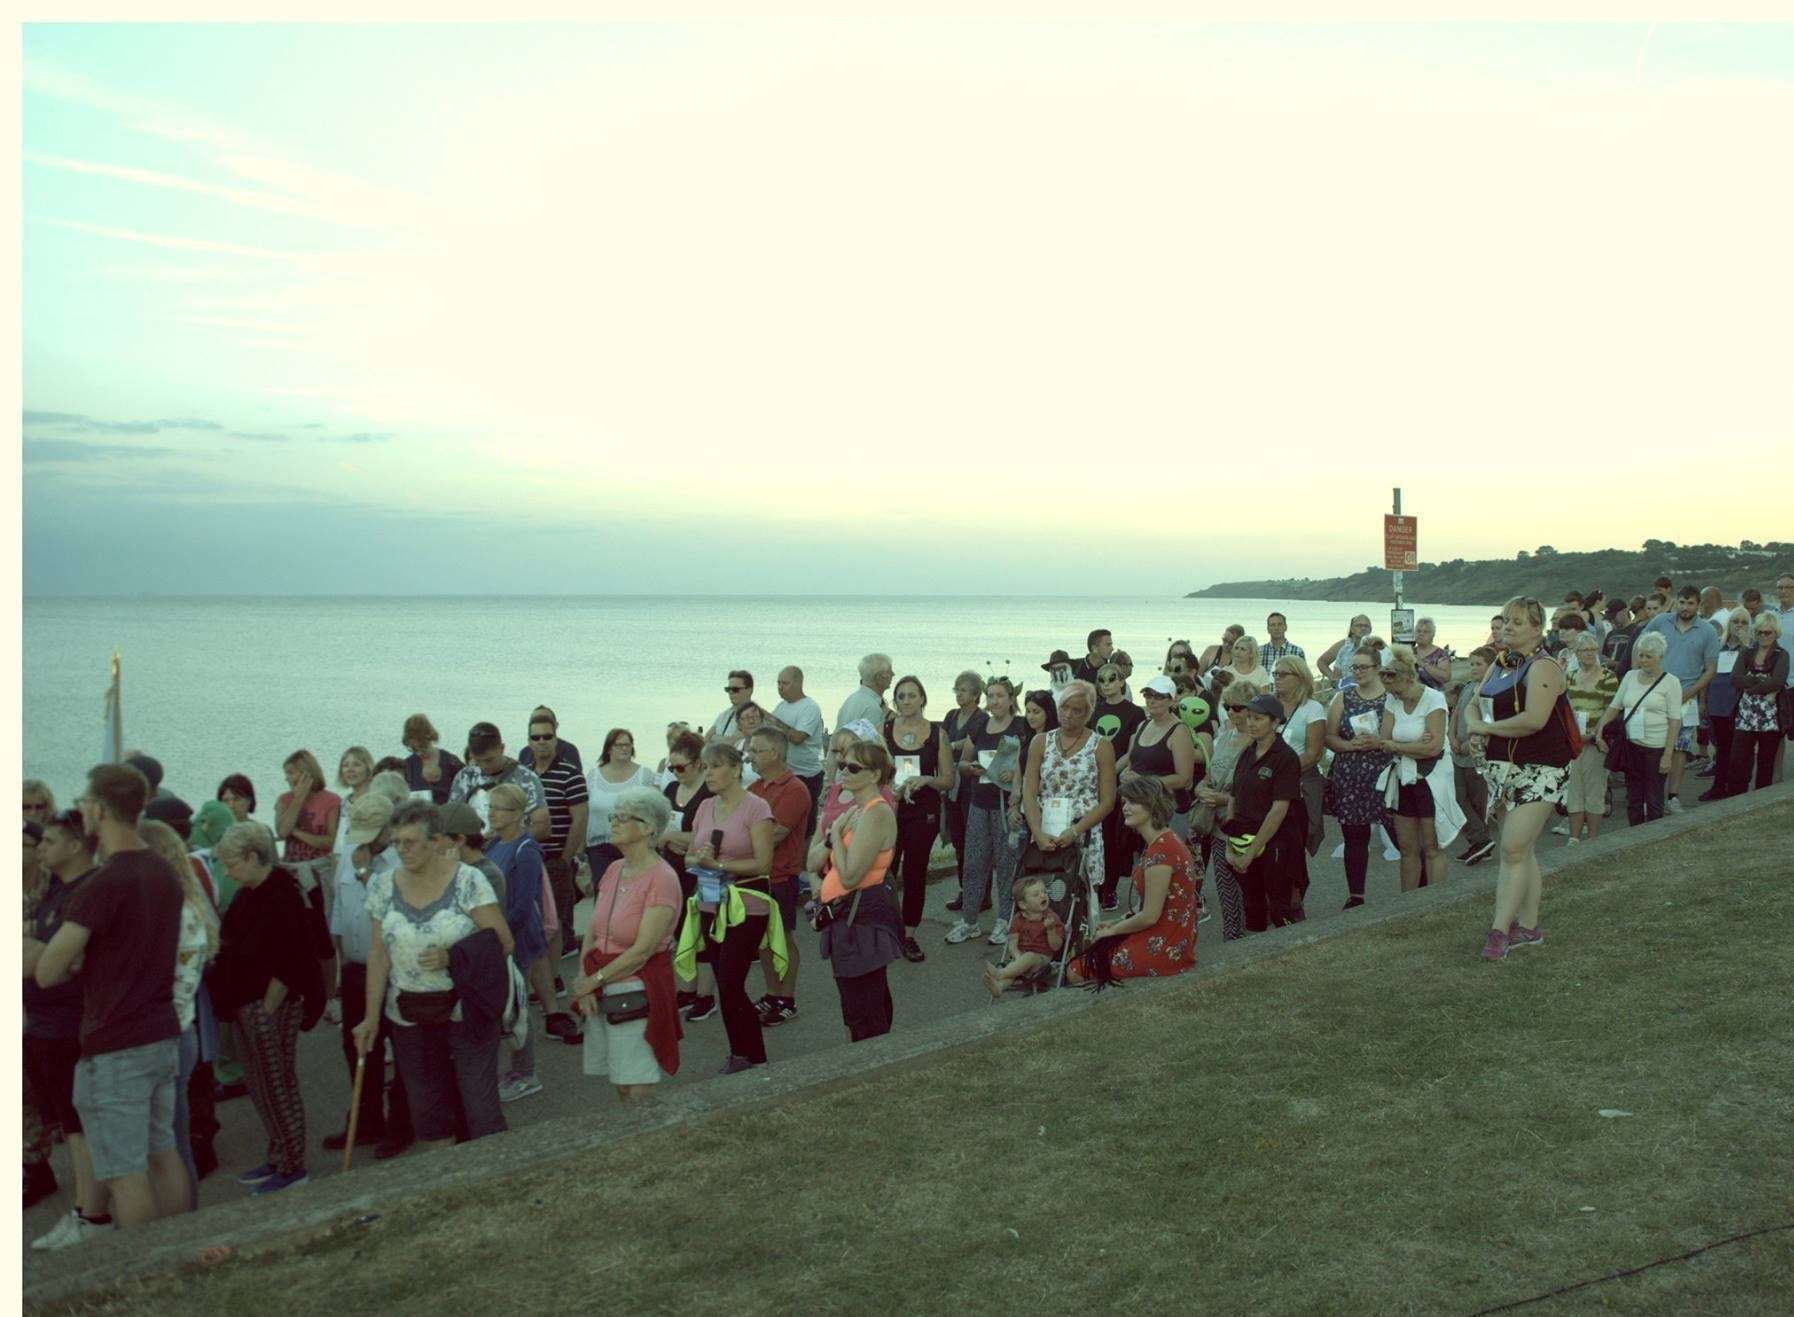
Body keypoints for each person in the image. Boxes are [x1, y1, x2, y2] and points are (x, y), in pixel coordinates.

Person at [32, 765, 187, 1237]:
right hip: (161, 1032)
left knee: (124, 1171)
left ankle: (145, 1267)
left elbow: (47, 971)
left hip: (115, 1042)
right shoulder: (163, 870)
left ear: (99, 809)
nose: (81, 809)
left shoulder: (104, 883)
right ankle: (187, 1248)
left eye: (84, 802)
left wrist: (58, 953)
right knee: (163, 1154)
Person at [352, 802, 513, 1148]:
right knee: (428, 1115)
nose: (402, 850)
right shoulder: (382, 886)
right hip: (409, 1013)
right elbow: (379, 955)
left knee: (481, 1109)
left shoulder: (469, 880)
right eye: (396, 843)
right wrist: (370, 1019)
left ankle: (499, 1179)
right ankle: (449, 1188)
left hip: (465, 1010)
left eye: (410, 842)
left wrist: (453, 957)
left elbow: (503, 942)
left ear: (436, 840)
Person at [208, 821, 326, 1195]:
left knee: (278, 1086)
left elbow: (293, 958)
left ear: (251, 856)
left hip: (268, 1007)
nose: (226, 871)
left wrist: (267, 1008)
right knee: (259, 1086)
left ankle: (294, 1166)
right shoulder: (249, 893)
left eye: (230, 863)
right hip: (246, 1004)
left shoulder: (282, 894)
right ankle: (278, 1155)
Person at [1466, 598, 1576, 960]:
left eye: (1517, 622)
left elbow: (1534, 720)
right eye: (1506, 621)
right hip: (1503, 768)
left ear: (1537, 628)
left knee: (1512, 848)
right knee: (1523, 850)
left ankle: (1499, 931)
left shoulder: (1544, 667)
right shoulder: (1500, 663)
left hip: (1542, 769)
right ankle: (1529, 927)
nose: (1508, 627)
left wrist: (1487, 727)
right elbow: (1474, 701)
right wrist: (1474, 722)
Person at [566, 788, 683, 1101]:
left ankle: (648, 1144)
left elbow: (642, 951)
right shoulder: (615, 870)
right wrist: (585, 983)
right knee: (619, 1079)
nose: (613, 823)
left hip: (635, 990)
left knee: (636, 1081)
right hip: (603, 984)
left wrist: (593, 981)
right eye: (613, 816)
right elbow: (593, 930)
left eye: (622, 817)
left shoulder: (662, 878)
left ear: (647, 828)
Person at [23, 808, 103, 1250]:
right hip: (45, 1027)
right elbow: (30, 947)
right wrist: (42, 950)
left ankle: (94, 1215)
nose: (40, 848)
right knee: (69, 1129)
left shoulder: (87, 891)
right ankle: (81, 1209)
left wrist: (41, 951)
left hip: (72, 1025)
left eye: (49, 841)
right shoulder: (57, 890)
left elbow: (69, 960)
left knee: (81, 1125)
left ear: (75, 845)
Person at [327, 793, 412, 1160]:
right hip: (355, 966)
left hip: (392, 967)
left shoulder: (401, 859)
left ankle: (400, 1126)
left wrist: (365, 873)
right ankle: (365, 1120)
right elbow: (339, 909)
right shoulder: (349, 853)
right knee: (358, 1047)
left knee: (401, 1046)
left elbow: (392, 908)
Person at [138, 819, 218, 1208]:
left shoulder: (176, 913)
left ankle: (185, 1218)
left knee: (170, 1142)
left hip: (170, 1035)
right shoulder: (183, 905)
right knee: (172, 1138)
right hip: (176, 1032)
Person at [687, 744, 778, 1074]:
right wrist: (700, 861)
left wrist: (720, 864)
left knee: (729, 982)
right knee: (727, 985)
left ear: (736, 769)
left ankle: (753, 1054)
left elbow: (763, 863)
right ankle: (741, 1053)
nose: (707, 773)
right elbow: (689, 855)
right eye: (705, 766)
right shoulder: (706, 807)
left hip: (746, 906)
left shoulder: (757, 807)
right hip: (710, 904)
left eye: (714, 766)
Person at [809, 738, 904, 1040]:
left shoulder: (876, 814)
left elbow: (850, 876)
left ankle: (873, 1067)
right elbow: (812, 863)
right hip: (844, 920)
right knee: (855, 1004)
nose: (844, 772)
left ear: (875, 775)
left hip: (861, 922)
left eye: (852, 767)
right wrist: (831, 838)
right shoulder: (857, 811)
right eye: (841, 765)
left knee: (865, 1006)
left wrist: (835, 834)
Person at [1066, 776, 1199, 987]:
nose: (1125, 808)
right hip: (1171, 938)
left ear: (1151, 804)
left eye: (1132, 802)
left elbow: (1149, 916)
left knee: (1076, 969)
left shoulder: (1162, 851)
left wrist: (1112, 931)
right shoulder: (1164, 841)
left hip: (1165, 945)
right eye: (1125, 802)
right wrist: (1116, 922)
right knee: (1088, 955)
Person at [1374, 646, 1464, 892]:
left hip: (1430, 779)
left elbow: (1433, 748)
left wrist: (1397, 745)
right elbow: (1384, 741)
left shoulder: (1434, 699)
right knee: (1407, 847)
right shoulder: (1392, 700)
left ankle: (1434, 901)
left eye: (1399, 690)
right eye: (1390, 691)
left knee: (1432, 847)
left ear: (1410, 679)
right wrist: (1410, 745)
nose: (1395, 695)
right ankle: (1407, 902)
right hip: (1404, 778)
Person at [946, 675, 1025, 946]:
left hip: (1007, 806)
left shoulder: (1021, 727)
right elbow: (964, 762)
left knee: (1006, 865)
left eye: (1000, 696)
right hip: (979, 802)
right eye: (990, 696)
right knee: (974, 863)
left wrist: (1013, 772)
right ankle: (970, 921)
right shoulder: (980, 724)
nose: (995, 701)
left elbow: (1030, 764)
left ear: (1012, 698)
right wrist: (973, 769)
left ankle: (1005, 920)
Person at [1216, 694, 1306, 929]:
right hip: (1243, 841)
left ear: (1275, 722)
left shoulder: (1285, 758)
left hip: (1274, 842)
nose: (1251, 723)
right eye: (1249, 718)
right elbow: (1234, 797)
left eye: (1258, 719)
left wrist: (1252, 852)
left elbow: (1279, 810)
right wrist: (1232, 845)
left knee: (1279, 908)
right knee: (1253, 909)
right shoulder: (1247, 752)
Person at [1022, 679, 1116, 904]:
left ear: (1088, 713)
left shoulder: (1101, 746)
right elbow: (1029, 791)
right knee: (1041, 897)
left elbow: (1108, 801)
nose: (1068, 714)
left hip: (1083, 834)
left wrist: (1074, 831)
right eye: (1064, 707)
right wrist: (1037, 831)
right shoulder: (1041, 742)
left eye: (1077, 710)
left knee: (1079, 900)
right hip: (1045, 833)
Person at [484, 785, 549, 1103]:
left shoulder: (526, 850)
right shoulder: (494, 843)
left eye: (498, 808)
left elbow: (522, 906)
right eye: (490, 807)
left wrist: (500, 938)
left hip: (516, 939)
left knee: (518, 1006)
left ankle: (526, 1073)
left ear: (517, 815)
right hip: (497, 937)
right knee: (505, 1004)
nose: (491, 813)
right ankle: (515, 1069)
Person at [884, 676, 955, 962]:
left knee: (914, 871)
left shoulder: (937, 733)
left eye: (912, 695)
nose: (906, 701)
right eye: (900, 696)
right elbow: (873, 772)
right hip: (890, 809)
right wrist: (891, 789)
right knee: (884, 870)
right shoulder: (883, 730)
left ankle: (908, 935)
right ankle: (885, 928)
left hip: (923, 811)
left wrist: (926, 779)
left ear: (923, 698)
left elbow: (949, 780)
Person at [747, 728, 813, 1027]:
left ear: (774, 753)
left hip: (781, 876)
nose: (750, 755)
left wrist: (738, 842)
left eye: (756, 750)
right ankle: (773, 992)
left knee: (782, 939)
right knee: (763, 941)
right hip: (756, 875)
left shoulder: (794, 789)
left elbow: (776, 834)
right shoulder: (755, 788)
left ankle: (787, 998)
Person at [1641, 587, 1721, 812]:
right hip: (1654, 695)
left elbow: (1710, 669)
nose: (1685, 608)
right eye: (1682, 602)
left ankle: (1672, 797)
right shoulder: (1660, 622)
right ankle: (1651, 797)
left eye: (1691, 603)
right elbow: (1641, 648)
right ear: (1676, 602)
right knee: (1652, 746)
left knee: (1680, 749)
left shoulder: (1707, 631)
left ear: (1699, 605)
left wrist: (1691, 693)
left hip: (1686, 698)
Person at [658, 731, 718, 1021]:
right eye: (672, 768)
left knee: (705, 932)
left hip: (703, 872)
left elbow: (705, 837)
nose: (676, 773)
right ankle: (687, 989)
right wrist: (673, 838)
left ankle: (706, 995)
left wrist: (675, 837)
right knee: (682, 930)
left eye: (681, 767)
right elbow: (661, 831)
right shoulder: (670, 791)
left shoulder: (709, 794)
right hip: (674, 870)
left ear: (697, 764)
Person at [522, 712, 589, 972]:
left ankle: (554, 978)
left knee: (555, 923)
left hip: (555, 861)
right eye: (535, 737)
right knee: (531, 920)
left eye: (547, 737)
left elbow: (579, 819)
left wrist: (564, 858)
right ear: (528, 741)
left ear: (555, 739)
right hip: (528, 860)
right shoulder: (524, 776)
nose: (541, 742)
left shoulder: (570, 775)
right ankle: (537, 977)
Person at [1325, 649, 1392, 911]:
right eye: (1355, 667)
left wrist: (1380, 742)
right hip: (1350, 775)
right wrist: (1350, 745)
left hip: (1383, 773)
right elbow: (1329, 737)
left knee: (1400, 833)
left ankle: (1417, 890)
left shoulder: (1390, 698)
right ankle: (1356, 895)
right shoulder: (1343, 697)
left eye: (1364, 667)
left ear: (1377, 667)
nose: (1359, 672)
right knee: (1354, 837)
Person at [1593, 631, 1681, 826]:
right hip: (1631, 745)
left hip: (1656, 748)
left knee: (1654, 799)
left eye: (1649, 656)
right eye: (1641, 655)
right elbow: (1614, 707)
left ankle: (1653, 838)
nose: (1643, 660)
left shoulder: (1671, 682)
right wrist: (1600, 731)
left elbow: (1675, 721)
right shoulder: (1630, 677)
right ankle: (1633, 834)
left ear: (1660, 657)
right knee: (1633, 798)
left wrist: (1668, 754)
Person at [1195, 683, 1257, 937]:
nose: (1232, 712)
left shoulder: (1259, 744)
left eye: (1238, 707)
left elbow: (1259, 792)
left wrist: (1222, 798)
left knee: (1251, 887)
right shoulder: (1222, 739)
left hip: (1247, 827)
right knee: (1225, 886)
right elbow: (1208, 777)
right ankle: (1233, 937)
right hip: (1219, 826)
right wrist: (1201, 790)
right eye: (1227, 707)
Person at [1089, 662, 1147, 908]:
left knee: (1113, 837)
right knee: (1095, 835)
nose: (1106, 684)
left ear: (1122, 681)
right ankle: (1094, 885)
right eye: (1101, 680)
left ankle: (1110, 889)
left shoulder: (1135, 712)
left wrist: (1111, 772)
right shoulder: (1094, 711)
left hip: (1118, 780)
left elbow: (1132, 750)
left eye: (1112, 678)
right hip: (1094, 781)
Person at [448, 724, 549, 846]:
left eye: (489, 760)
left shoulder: (526, 779)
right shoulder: (465, 776)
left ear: (502, 748)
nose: (483, 766)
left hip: (510, 854)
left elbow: (543, 827)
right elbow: (452, 821)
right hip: (472, 854)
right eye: (477, 760)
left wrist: (504, 840)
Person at [1562, 634, 1620, 843]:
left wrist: (1595, 735)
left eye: (1593, 649)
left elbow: (1611, 710)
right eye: (1585, 649)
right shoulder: (1568, 677)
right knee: (1573, 791)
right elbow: (1564, 710)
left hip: (1597, 742)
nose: (1589, 653)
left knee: (1595, 791)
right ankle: (1574, 838)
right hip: (1573, 743)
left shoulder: (1608, 677)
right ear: (1576, 653)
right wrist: (1573, 736)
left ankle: (1593, 840)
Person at [940, 671, 989, 908]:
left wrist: (951, 745)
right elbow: (942, 741)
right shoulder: (951, 715)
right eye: (957, 689)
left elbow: (974, 743)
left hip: (971, 786)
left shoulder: (982, 718)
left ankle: (983, 894)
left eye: (964, 690)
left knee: (976, 842)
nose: (959, 694)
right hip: (952, 785)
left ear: (976, 694)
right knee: (959, 840)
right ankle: (965, 890)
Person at [1447, 648, 1499, 866]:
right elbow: (1457, 714)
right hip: (1459, 755)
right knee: (1457, 798)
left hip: (1477, 755)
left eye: (1479, 664)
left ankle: (1479, 843)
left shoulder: (1491, 691)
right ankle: (1480, 840)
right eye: (1472, 664)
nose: (1474, 668)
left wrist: (1470, 744)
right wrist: (1452, 737)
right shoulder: (1469, 688)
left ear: (1490, 667)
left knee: (1478, 802)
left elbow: (1489, 722)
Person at [1272, 656, 1328, 857]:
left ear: (1300, 677)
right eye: (1275, 674)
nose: (1277, 678)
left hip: (1298, 784)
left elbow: (1314, 754)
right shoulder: (1268, 705)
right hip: (1267, 782)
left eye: (1283, 674)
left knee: (1293, 849)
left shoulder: (1312, 709)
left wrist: (1281, 773)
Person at [1726, 612, 1787, 795]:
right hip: (1745, 716)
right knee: (1738, 761)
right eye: (1759, 632)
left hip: (1770, 718)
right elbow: (1735, 678)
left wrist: (1751, 685)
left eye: (1767, 632)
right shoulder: (1747, 652)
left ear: (1775, 633)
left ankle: (1760, 800)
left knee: (1765, 761)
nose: (1763, 636)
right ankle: (1735, 798)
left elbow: (1777, 681)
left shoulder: (1781, 655)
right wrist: (1761, 681)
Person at [765, 666, 827, 832]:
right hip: (785, 774)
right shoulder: (781, 706)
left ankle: (805, 856)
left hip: (807, 776)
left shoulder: (810, 707)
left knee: (805, 826)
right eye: (778, 683)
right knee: (782, 822)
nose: (780, 687)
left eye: (785, 683)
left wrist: (774, 721)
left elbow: (798, 738)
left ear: (798, 683)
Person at [1697, 609, 1751, 798]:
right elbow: (1707, 674)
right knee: (1721, 748)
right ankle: (1719, 786)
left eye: (1744, 622)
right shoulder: (1719, 647)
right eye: (1735, 621)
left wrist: (1746, 645)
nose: (1739, 625)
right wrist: (1703, 702)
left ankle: (1735, 787)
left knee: (1738, 750)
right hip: (1716, 705)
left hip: (1737, 707)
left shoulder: (1749, 649)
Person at [984, 875, 1066, 998]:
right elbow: (1012, 941)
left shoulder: (1051, 918)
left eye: (1044, 892)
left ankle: (1000, 974)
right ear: (1023, 905)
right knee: (1014, 969)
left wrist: (1051, 930)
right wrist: (1017, 956)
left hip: (1042, 958)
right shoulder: (1018, 918)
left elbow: (1056, 946)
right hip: (1021, 956)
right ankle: (1000, 987)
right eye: (1036, 894)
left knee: (1027, 958)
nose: (1043, 896)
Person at [273, 749, 340, 877]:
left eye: (290, 773)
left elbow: (331, 842)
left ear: (307, 774)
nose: (286, 778)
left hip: (321, 871)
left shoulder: (332, 801)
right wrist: (298, 799)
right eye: (286, 774)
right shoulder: (284, 799)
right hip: (291, 871)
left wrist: (295, 831)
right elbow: (282, 832)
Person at [838, 653, 893, 732]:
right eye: (889, 671)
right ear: (878, 677)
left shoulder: (851, 699)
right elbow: (870, 742)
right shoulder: (872, 708)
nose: (893, 674)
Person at [1210, 634, 1273, 699]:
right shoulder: (1226, 671)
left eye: (1243, 649)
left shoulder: (1261, 672)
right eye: (1236, 648)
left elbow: (1264, 698)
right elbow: (1220, 697)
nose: (1238, 652)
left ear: (1251, 653)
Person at [1317, 615, 1373, 684]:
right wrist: (1332, 679)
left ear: (1370, 629)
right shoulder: (1344, 649)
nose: (1363, 628)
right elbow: (1322, 662)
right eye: (1359, 625)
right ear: (1352, 629)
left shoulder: (1378, 650)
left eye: (1366, 626)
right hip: (1346, 691)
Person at [708, 669, 757, 744]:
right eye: (728, 689)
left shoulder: (753, 716)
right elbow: (706, 738)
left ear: (749, 690)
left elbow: (733, 743)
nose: (731, 692)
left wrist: (714, 737)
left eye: (735, 689)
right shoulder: (724, 715)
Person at [1412, 618, 1454, 690]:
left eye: (1425, 632)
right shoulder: (1410, 652)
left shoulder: (1441, 654)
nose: (1421, 634)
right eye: (1418, 631)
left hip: (1433, 696)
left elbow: (1446, 677)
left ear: (1432, 635)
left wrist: (1423, 664)